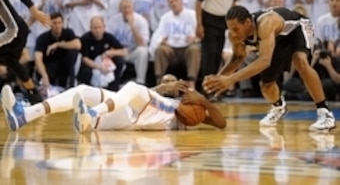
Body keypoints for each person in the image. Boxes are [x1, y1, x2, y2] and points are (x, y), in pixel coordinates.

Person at [203, 6, 336, 131]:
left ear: (248, 23)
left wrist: (230, 80)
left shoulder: (265, 24)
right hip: (277, 39)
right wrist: (218, 78)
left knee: (300, 61)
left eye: (236, 29)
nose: (233, 33)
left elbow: (265, 61)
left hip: (297, 29)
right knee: (266, 85)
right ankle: (279, 107)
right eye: (230, 29)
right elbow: (237, 58)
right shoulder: (234, 35)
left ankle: (325, 113)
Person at [1, 76, 226, 132]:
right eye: (165, 81)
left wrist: (203, 100)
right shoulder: (158, 98)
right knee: (81, 90)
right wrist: (158, 88)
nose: (169, 84)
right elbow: (132, 97)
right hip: (127, 115)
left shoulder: (186, 108)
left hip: (139, 117)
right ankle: (23, 116)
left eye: (171, 81)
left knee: (134, 87)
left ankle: (89, 114)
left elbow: (222, 123)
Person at [0, 0, 51, 104]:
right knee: (10, 62)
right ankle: (35, 96)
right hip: (12, 33)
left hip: (14, 32)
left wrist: (35, 12)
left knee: (9, 61)